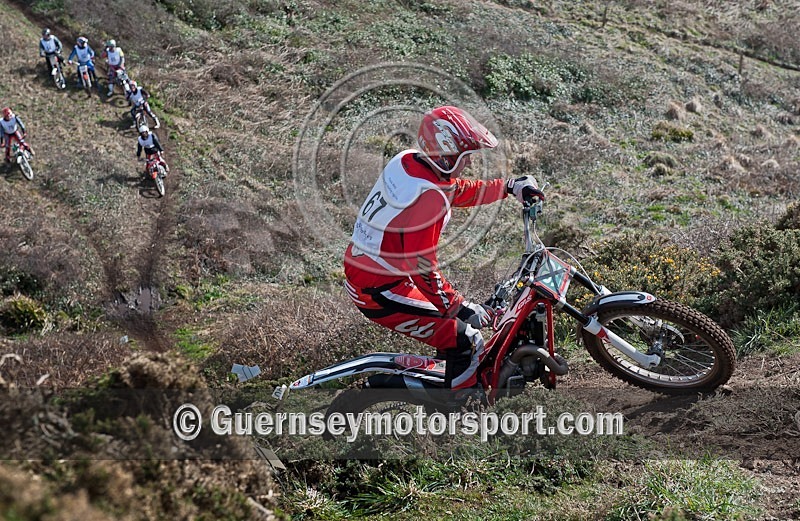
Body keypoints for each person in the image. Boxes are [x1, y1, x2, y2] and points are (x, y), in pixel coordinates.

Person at [343, 106, 543, 389]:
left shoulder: (407, 161)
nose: (469, 164)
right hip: (380, 288)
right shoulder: (429, 199)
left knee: (454, 332)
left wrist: (508, 187)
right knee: (468, 339)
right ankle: (457, 413)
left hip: (370, 271)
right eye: (465, 157)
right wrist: (460, 307)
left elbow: (454, 189)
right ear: (447, 155)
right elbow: (422, 267)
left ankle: (447, 387)